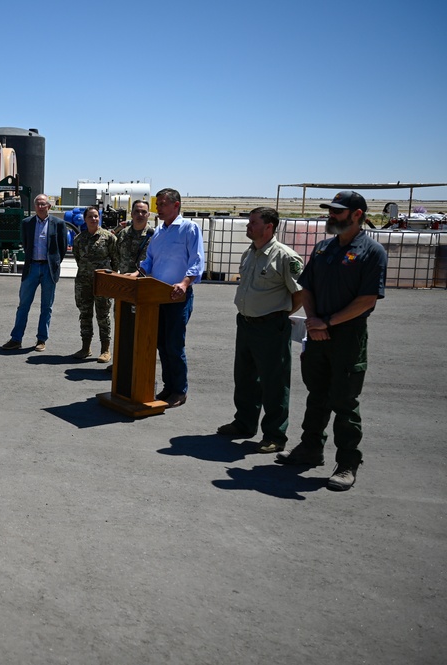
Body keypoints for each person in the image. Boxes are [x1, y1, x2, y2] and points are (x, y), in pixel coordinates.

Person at [277, 191, 387, 491]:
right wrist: (314, 322)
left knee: (344, 400)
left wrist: (328, 322)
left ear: (357, 215)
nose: (331, 216)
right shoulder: (324, 248)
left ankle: (348, 462)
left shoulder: (372, 251)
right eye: (330, 211)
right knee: (317, 394)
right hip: (318, 332)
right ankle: (310, 448)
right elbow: (307, 287)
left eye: (338, 212)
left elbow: (366, 300)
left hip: (347, 336)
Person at [216, 207, 304, 453]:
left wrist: (281, 314)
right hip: (245, 323)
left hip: (270, 326)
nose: (248, 226)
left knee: (274, 382)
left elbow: (301, 293)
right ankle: (244, 423)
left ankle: (275, 435)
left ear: (269, 227)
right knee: (245, 377)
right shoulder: (250, 253)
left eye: (253, 223)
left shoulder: (285, 256)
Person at [127, 188, 205, 408]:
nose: (157, 209)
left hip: (177, 296)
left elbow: (197, 260)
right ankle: (168, 387)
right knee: (161, 344)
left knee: (174, 345)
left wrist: (185, 282)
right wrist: (136, 274)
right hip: (156, 297)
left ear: (176, 206)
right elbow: (149, 260)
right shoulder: (159, 232)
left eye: (162, 204)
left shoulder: (190, 229)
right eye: (158, 204)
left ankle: (179, 390)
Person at [2, 194, 67, 352]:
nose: (40, 206)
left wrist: (54, 264)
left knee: (46, 307)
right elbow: (25, 243)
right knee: (23, 305)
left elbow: (62, 247)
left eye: (43, 204)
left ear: (49, 207)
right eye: (37, 204)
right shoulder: (27, 223)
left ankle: (41, 339)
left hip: (48, 269)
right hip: (31, 268)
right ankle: (16, 339)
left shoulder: (58, 224)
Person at [71, 206, 117, 362]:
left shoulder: (108, 237)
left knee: (103, 315)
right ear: (84, 219)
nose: (93, 219)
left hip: (102, 283)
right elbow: (78, 259)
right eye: (90, 216)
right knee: (85, 314)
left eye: (96, 216)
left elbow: (115, 259)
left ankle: (105, 350)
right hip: (83, 282)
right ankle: (86, 347)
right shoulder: (79, 239)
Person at [113, 199, 155, 274]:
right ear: (132, 214)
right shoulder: (123, 233)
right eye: (137, 211)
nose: (140, 214)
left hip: (144, 280)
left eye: (144, 212)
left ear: (148, 215)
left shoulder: (153, 235)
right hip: (124, 279)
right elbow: (116, 256)